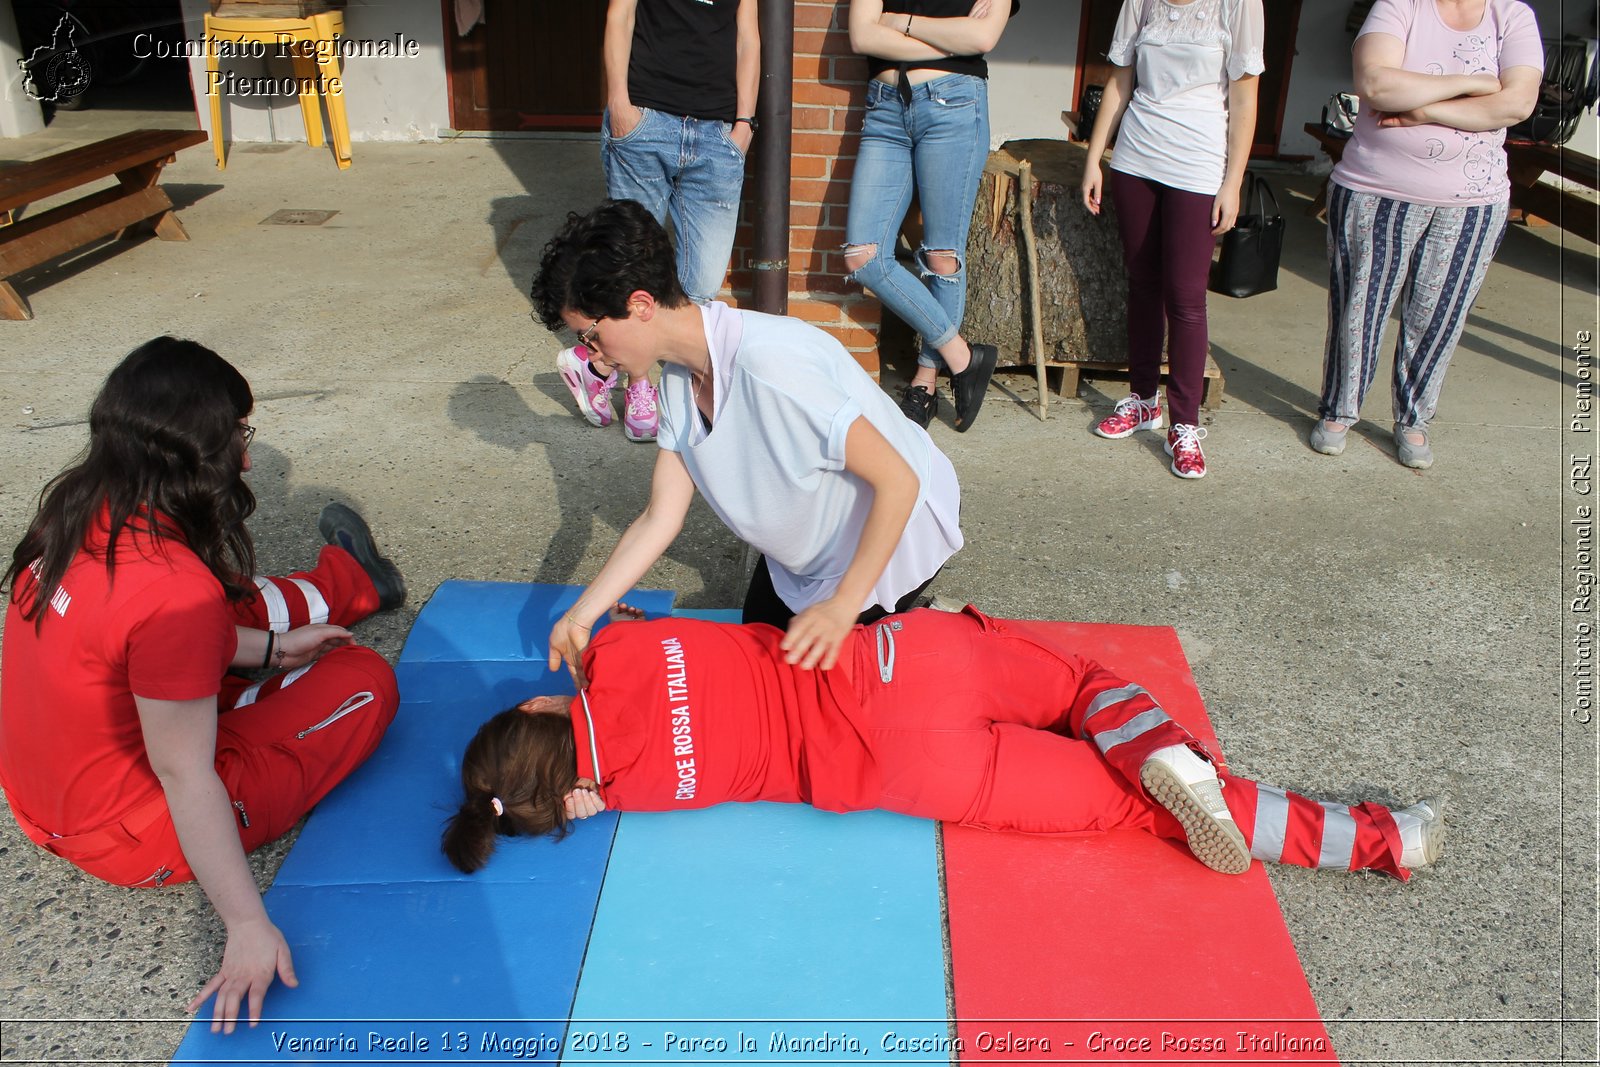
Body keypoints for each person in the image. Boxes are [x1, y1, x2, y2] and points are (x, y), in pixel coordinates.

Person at [0, 339, 406, 1034]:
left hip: (51, 795)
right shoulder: (172, 589)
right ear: (192, 454)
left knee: (229, 606)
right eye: (237, 438)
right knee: (364, 681)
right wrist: (247, 922)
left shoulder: (78, 507)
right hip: (129, 828)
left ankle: (352, 586)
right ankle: (344, 593)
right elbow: (184, 774)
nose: (246, 459)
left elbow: (136, 645)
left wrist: (272, 650)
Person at [442, 604, 1444, 883]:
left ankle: (1384, 839)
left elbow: (584, 784)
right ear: (532, 710)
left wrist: (584, 797)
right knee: (1091, 688)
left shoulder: (634, 789)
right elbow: (577, 677)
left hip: (904, 768)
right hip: (896, 662)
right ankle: (1154, 742)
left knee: (1151, 814)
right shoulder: (611, 649)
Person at [531, 199, 963, 678]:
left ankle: (919, 626)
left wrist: (843, 607)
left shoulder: (772, 365)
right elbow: (660, 516)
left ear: (640, 305)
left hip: (894, 538)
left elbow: (898, 483)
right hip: (807, 553)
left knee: (816, 698)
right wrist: (580, 615)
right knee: (757, 664)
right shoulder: (677, 382)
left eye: (590, 335)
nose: (591, 355)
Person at [1310, 0, 1542, 469]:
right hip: (1376, 189)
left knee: (1440, 315)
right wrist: (1474, 85)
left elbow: (1516, 103)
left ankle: (1413, 419)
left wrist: (1421, 110)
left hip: (1474, 202)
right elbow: (1375, 83)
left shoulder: (1512, 15)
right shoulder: (1401, 5)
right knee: (1359, 306)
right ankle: (1339, 410)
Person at [556, 0, 761, 445]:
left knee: (701, 283)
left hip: (718, 134)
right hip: (648, 119)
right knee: (631, 267)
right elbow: (620, 15)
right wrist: (619, 105)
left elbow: (747, 35)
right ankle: (640, 385)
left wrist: (743, 125)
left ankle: (593, 365)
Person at [1080, 0, 1264, 480]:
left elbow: (1245, 98)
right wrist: (1094, 156)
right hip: (1137, 158)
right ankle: (1143, 400)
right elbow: (1120, 79)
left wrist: (1233, 182)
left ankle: (1184, 424)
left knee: (1185, 298)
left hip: (1199, 165)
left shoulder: (1239, 5)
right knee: (1141, 283)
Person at [842, 0, 1012, 432]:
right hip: (885, 108)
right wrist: (949, 39)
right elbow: (862, 36)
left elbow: (982, 38)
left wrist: (900, 23)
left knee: (942, 256)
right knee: (863, 255)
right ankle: (963, 355)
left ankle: (925, 383)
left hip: (955, 104)